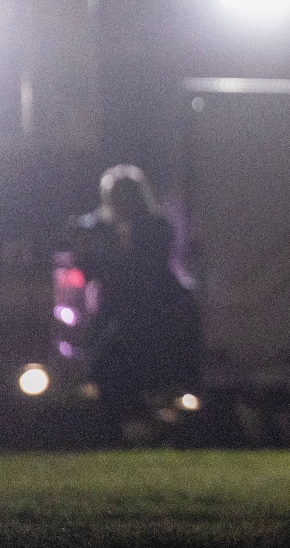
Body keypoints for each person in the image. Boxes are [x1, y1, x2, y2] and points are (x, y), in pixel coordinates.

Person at [70, 165, 202, 444]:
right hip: (116, 309)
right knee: (106, 370)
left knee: (140, 369)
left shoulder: (155, 227)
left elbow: (149, 267)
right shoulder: (102, 230)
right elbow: (89, 268)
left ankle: (152, 424)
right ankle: (120, 430)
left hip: (151, 309)